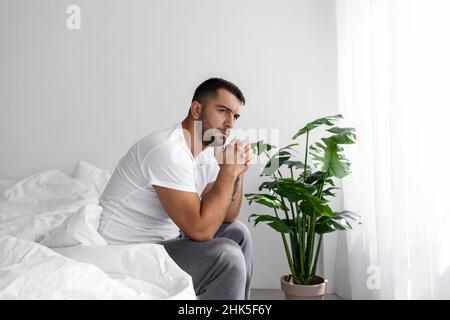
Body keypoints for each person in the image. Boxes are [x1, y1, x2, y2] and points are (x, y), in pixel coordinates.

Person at [98, 78, 254, 300]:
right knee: (226, 257)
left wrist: (238, 173)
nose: (231, 124)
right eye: (223, 111)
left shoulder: (207, 152)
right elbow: (201, 230)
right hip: (126, 252)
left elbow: (227, 216)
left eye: (235, 116)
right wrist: (228, 171)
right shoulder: (168, 150)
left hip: (165, 243)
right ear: (196, 109)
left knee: (239, 233)